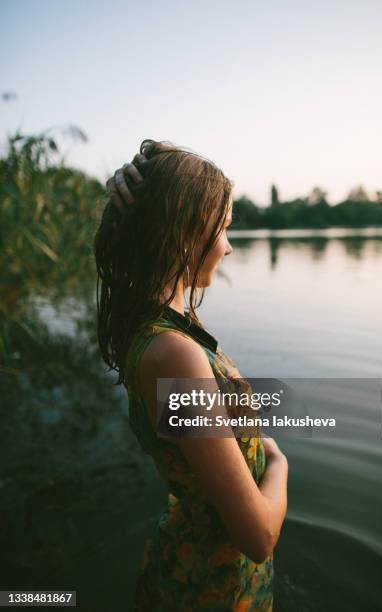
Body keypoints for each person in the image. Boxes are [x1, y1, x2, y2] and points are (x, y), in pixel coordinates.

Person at [94, 140, 288, 611]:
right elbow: (258, 536)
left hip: (195, 561)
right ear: (185, 233)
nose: (228, 246)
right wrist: (280, 462)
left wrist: (147, 187)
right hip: (209, 585)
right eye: (222, 228)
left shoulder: (165, 326)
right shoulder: (174, 354)